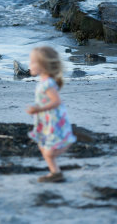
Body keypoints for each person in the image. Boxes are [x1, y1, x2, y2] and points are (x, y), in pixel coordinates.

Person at [26, 46, 77, 183]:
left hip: (54, 119)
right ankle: (55, 172)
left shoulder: (47, 83)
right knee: (42, 146)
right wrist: (38, 107)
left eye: (32, 62)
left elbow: (56, 101)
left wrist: (37, 109)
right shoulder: (44, 81)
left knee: (48, 151)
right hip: (47, 119)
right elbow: (46, 100)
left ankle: (69, 142)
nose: (29, 65)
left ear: (43, 65)